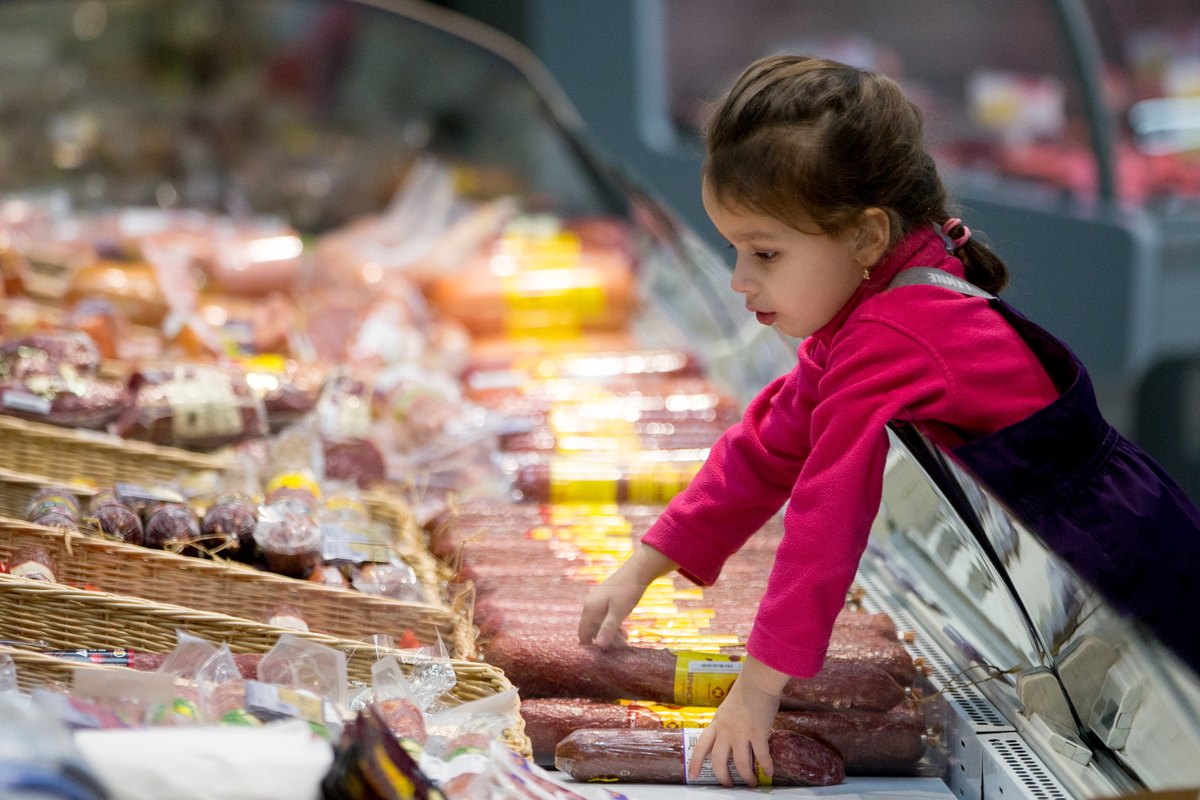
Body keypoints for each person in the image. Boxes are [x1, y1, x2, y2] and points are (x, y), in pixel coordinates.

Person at [577, 55, 1200, 788]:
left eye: (765, 252)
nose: (740, 278)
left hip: (1116, 555)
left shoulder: (893, 333)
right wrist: (650, 559)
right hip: (1084, 544)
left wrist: (757, 692)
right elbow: (772, 440)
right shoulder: (871, 299)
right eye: (734, 249)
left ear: (867, 237)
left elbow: (825, 517)